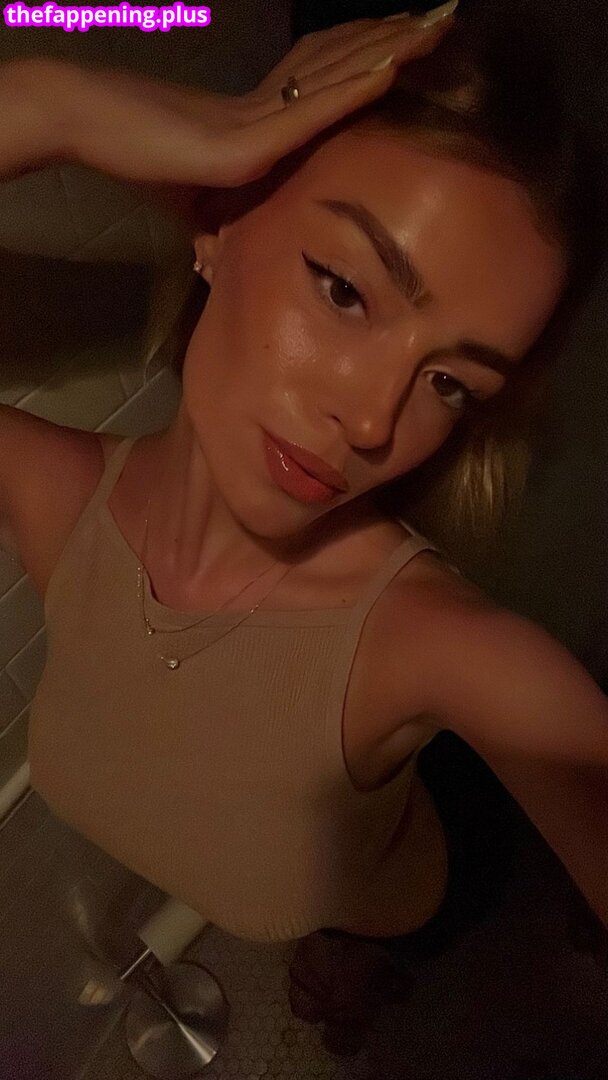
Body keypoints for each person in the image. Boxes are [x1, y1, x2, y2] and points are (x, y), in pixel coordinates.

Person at [1, 1, 606, 1057]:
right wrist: (54, 104)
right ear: (218, 224)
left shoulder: (469, 660)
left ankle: (366, 964)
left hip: (426, 875)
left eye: (450, 384)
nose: (373, 422)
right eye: (344, 289)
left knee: (406, 934)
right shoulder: (54, 495)